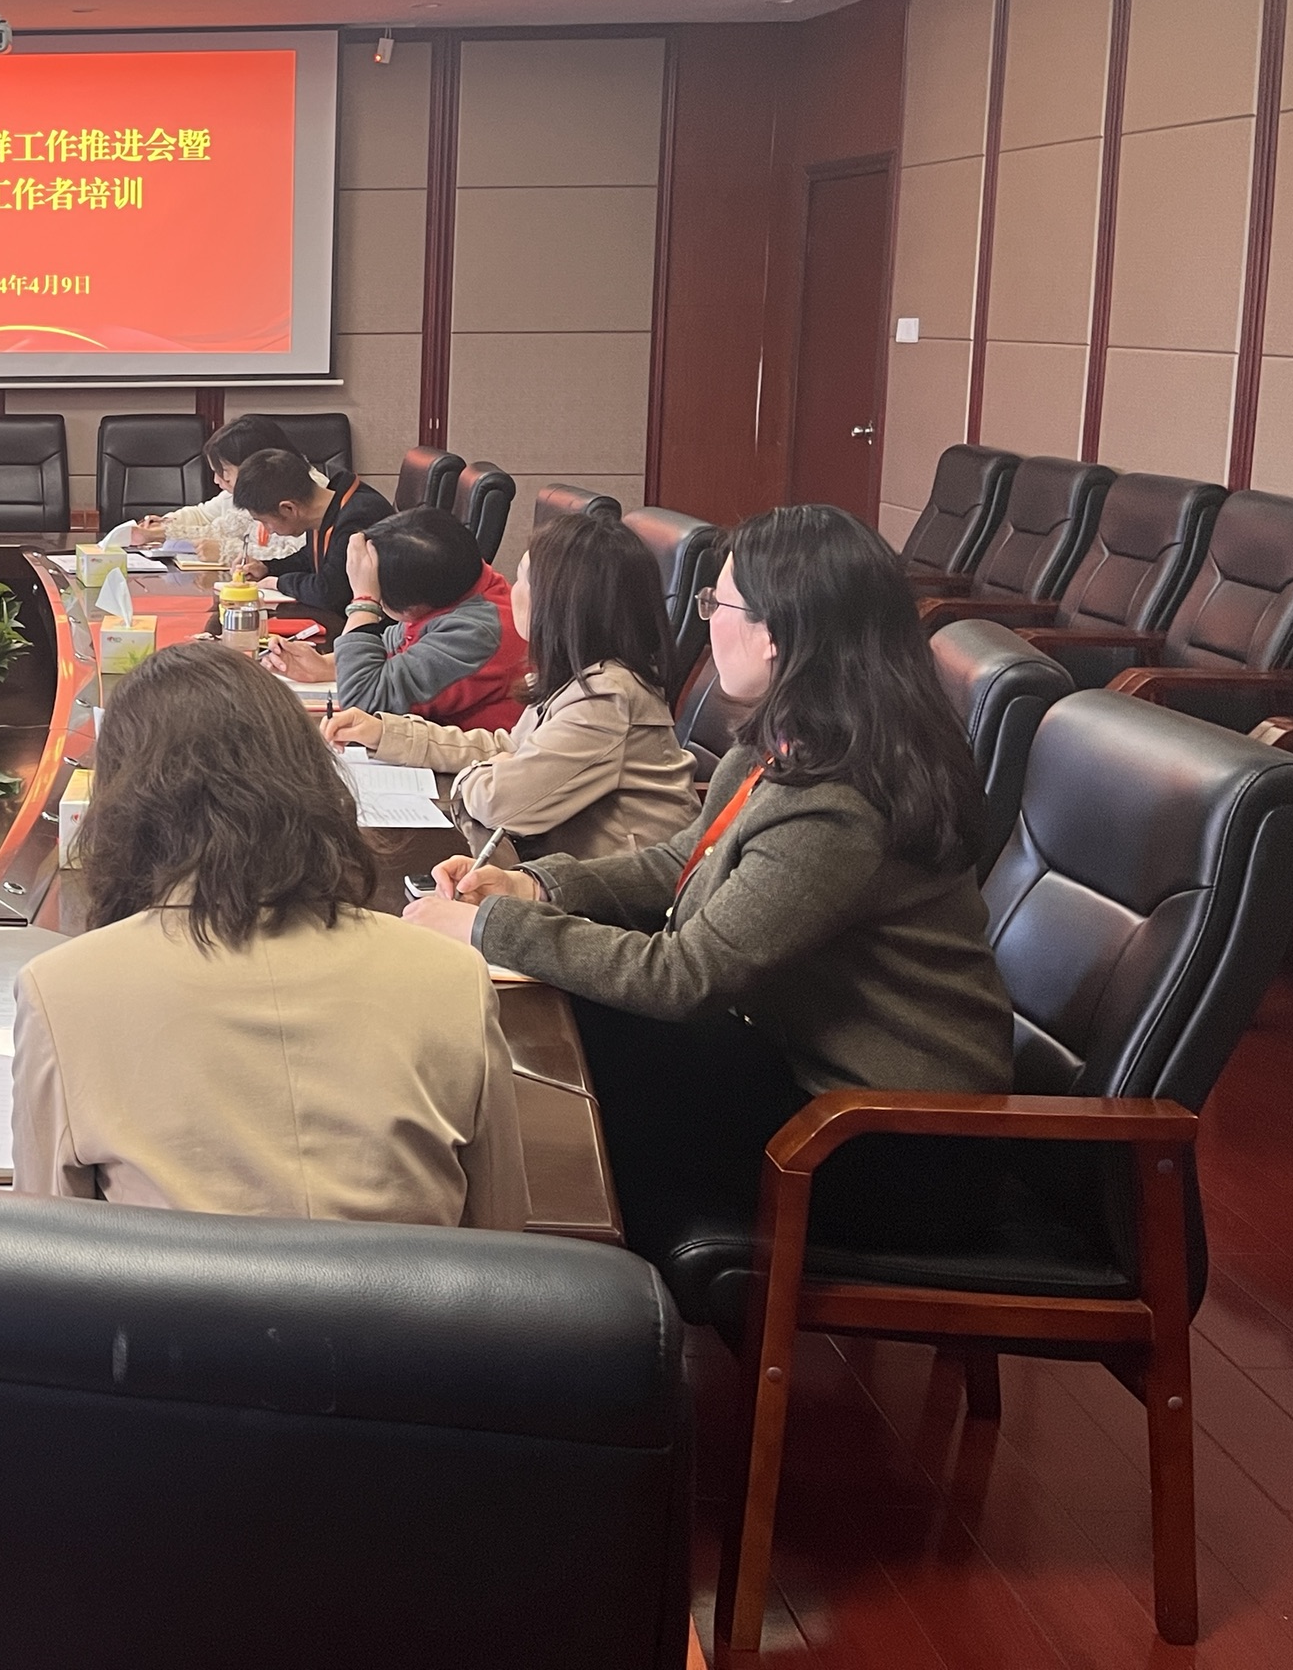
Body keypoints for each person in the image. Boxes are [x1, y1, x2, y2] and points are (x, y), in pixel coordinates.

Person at [402, 504, 1013, 1264]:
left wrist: (489, 927)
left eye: (717, 604)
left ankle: (548, 1287)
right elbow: (680, 863)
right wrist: (533, 889)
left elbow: (687, 977)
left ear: (775, 631)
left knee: (572, 1043)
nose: (706, 622)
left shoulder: (841, 800)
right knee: (558, 1033)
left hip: (881, 1147)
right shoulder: (791, 742)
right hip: (802, 1077)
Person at [13, 642, 527, 1228]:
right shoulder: (453, 977)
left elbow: (50, 1245)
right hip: (406, 1289)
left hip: (177, 1292)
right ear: (311, 778)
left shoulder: (60, 992)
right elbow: (501, 1231)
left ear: (123, 808)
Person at [322, 510, 695, 858]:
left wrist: (485, 772)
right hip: (564, 868)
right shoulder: (578, 675)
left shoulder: (606, 698)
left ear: (561, 603)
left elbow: (501, 803)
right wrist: (387, 734)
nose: (512, 589)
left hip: (614, 891)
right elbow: (509, 748)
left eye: (526, 579)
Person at [269, 507, 526, 727]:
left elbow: (362, 704)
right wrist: (327, 666)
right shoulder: (459, 581)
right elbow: (392, 649)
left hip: (475, 764)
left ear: (411, 607)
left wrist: (363, 602)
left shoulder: (476, 633)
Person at [228, 446, 391, 618]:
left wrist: (278, 583)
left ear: (289, 508)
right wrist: (267, 568)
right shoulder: (326, 509)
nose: (268, 530)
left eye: (265, 521)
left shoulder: (358, 518)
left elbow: (330, 593)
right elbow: (308, 558)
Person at [133, 413, 304, 564]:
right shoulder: (255, 492)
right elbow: (212, 523)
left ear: (256, 465)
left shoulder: (302, 495)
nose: (217, 480)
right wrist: (162, 528)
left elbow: (296, 559)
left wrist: (225, 551)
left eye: (225, 473)